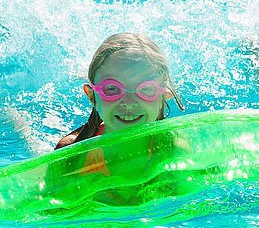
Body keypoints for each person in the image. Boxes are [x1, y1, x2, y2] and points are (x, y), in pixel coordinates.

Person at [54, 32, 185, 177]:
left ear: (164, 97)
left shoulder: (175, 149)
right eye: (112, 89)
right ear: (92, 96)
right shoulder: (71, 157)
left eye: (146, 89)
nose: (129, 103)